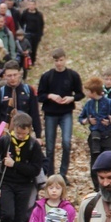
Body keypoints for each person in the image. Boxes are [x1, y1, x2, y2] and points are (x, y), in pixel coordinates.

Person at [36, 48, 84, 179]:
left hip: (66, 112)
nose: (59, 63)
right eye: (56, 61)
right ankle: (51, 174)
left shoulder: (72, 75)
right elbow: (40, 96)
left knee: (66, 142)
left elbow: (80, 93)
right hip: (50, 113)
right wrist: (50, 96)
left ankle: (63, 174)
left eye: (61, 60)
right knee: (50, 146)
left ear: (65, 59)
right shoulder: (47, 76)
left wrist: (72, 98)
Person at [78, 77, 111, 191]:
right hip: (95, 138)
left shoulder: (109, 103)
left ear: (93, 91)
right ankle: (98, 189)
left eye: (87, 91)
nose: (86, 93)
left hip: (109, 136)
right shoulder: (88, 104)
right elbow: (81, 118)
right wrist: (86, 121)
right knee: (95, 164)